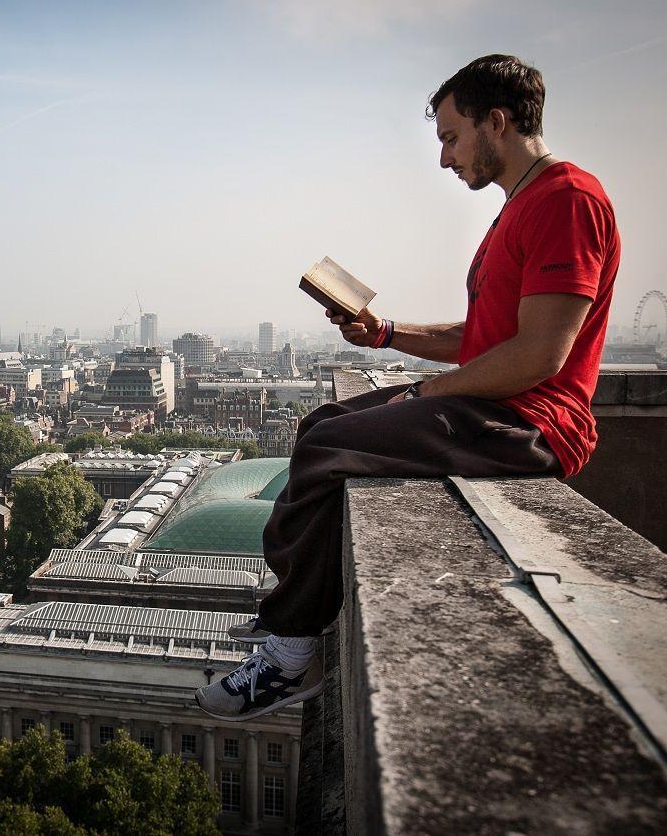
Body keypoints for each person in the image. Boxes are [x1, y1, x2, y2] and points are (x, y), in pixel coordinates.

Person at [196, 54, 621, 721]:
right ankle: (292, 621)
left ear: (498, 123)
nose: (447, 159)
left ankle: (288, 657)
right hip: (496, 405)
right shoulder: (524, 206)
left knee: (327, 448)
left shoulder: (567, 201)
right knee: (319, 427)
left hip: (531, 423)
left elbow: (541, 354)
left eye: (452, 137)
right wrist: (385, 331)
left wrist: (427, 395)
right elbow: (489, 335)